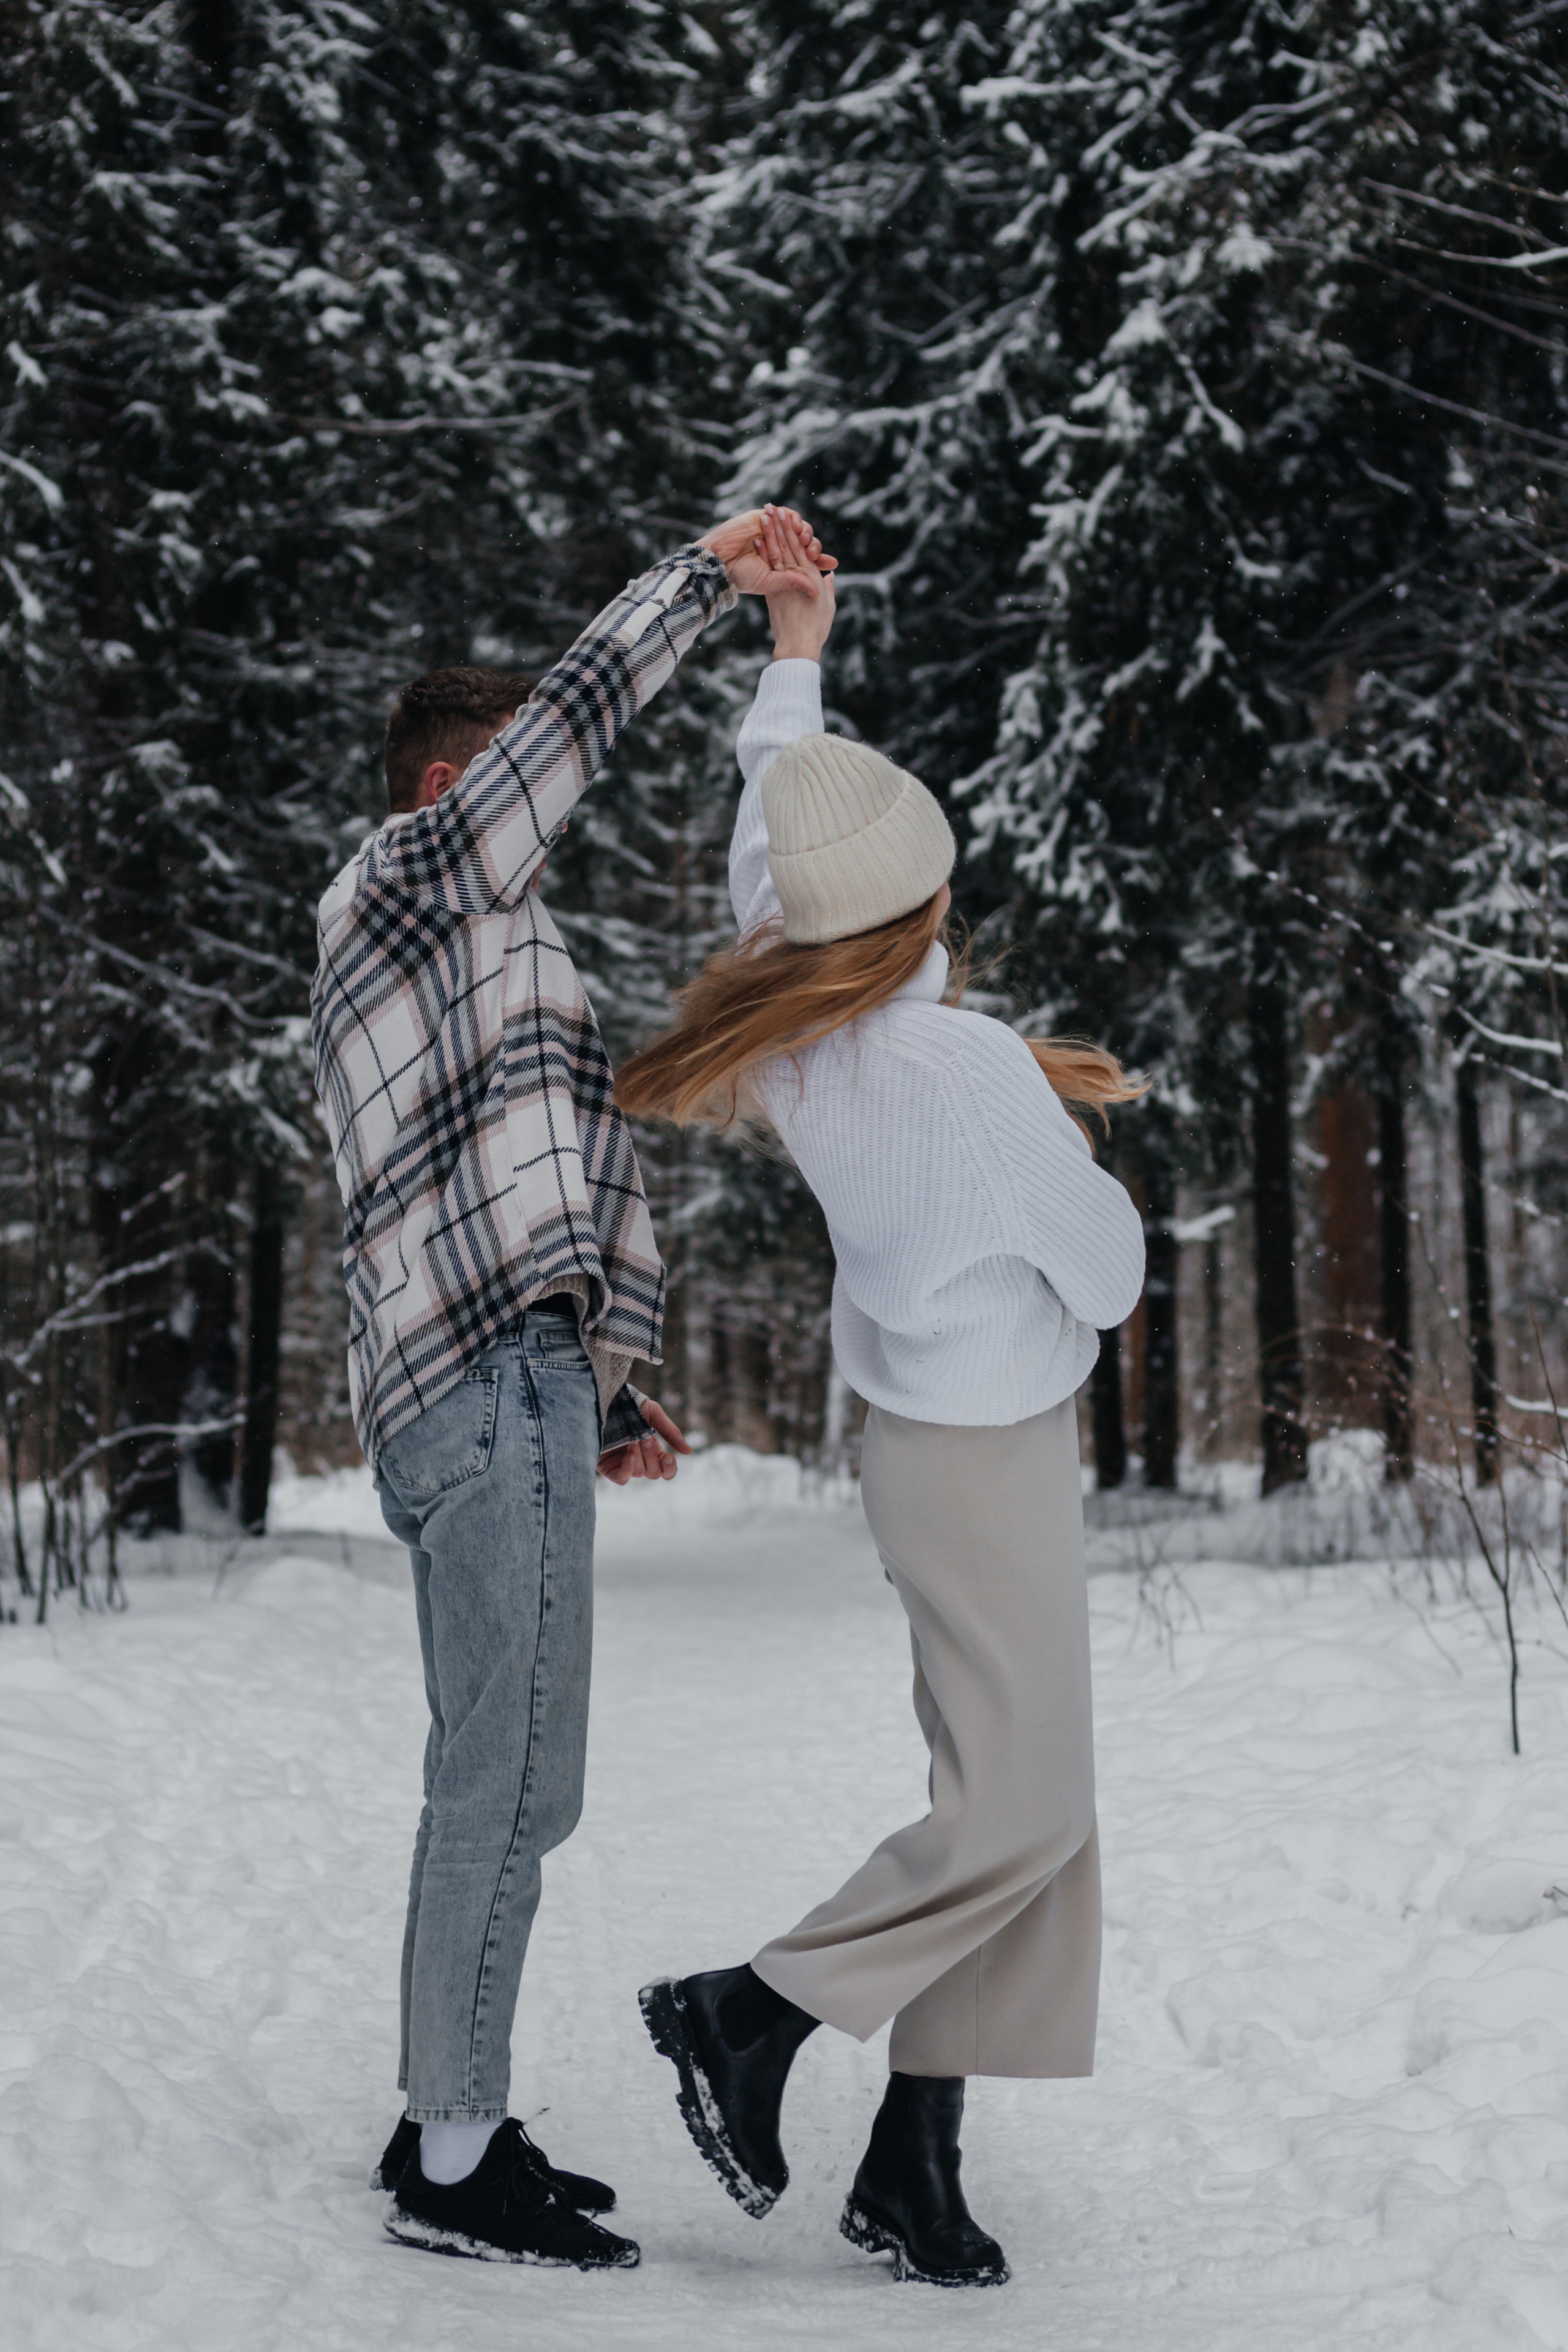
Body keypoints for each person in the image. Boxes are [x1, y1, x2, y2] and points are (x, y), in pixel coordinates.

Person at [617, 511, 1147, 2289]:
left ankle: (915, 2159)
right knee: (1023, 1811)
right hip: (991, 1461)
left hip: (919, 1449)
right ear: (926, 902)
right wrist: (1082, 1166)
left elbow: (773, 816)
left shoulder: (785, 1005)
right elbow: (1113, 1273)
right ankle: (751, 2011)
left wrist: (795, 649)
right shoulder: (970, 1068)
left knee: (1014, 1799)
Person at [309, 509, 835, 2269]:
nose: (542, 810)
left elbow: (535, 1181)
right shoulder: (413, 875)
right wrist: (708, 578)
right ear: (454, 782)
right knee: (515, 1785)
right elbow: (573, 727)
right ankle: (454, 2165)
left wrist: (609, 1386)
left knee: (499, 1773)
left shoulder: (469, 947)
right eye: (508, 774)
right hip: (476, 1389)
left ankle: (443, 2115)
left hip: (501, 1379)